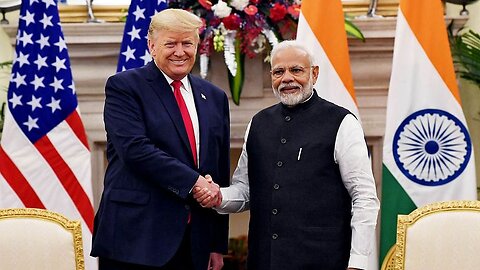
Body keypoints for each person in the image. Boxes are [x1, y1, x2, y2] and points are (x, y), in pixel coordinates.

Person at [195, 40, 380, 270]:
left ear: (314, 73)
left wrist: (358, 261)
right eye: (279, 72)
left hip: (325, 261)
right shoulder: (258, 123)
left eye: (296, 70)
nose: (287, 78)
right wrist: (218, 196)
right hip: (264, 261)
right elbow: (245, 190)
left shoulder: (342, 122)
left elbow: (364, 197)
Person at [91, 9, 230, 270]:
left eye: (187, 43)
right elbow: (135, 150)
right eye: (171, 43)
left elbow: (219, 168)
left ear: (197, 46)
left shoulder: (214, 96)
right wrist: (195, 182)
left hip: (194, 242)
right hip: (136, 239)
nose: (180, 51)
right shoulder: (125, 87)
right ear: (152, 46)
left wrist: (216, 243)